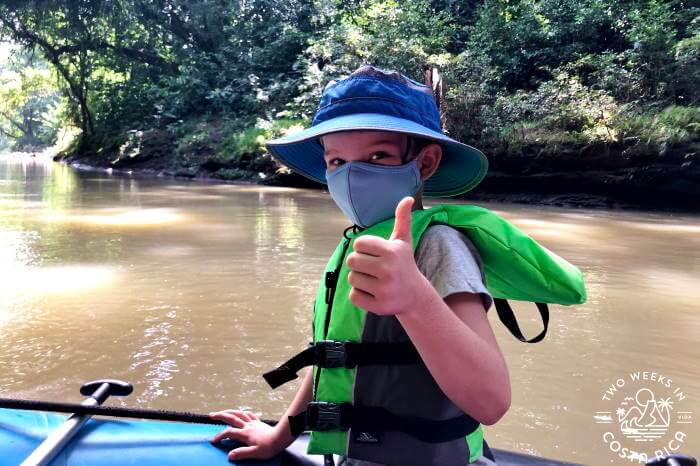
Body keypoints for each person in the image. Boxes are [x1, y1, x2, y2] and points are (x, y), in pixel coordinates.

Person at [209, 64, 586, 466]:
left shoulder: (439, 246)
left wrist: (414, 299)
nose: (352, 175)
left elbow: (491, 402)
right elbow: (335, 359)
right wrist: (278, 437)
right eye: (336, 161)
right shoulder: (360, 242)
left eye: (378, 156)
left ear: (424, 164)